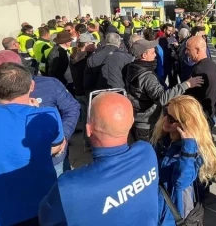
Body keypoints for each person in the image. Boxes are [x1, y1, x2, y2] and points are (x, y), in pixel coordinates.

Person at [0, 62, 66, 225]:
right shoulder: (47, 114)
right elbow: (57, 146)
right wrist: (36, 112)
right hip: (42, 209)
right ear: (32, 86)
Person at [39, 92, 160, 225]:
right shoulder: (147, 152)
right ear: (131, 122)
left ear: (89, 129)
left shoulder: (70, 186)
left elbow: (46, 218)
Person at [0, 51, 80, 176]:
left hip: (54, 162)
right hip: (14, 166)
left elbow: (72, 108)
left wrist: (64, 135)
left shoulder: (50, 84)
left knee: (60, 192)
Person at [151, 96, 216, 225]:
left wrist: (188, 148)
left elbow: (181, 182)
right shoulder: (163, 139)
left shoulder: (195, 150)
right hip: (157, 205)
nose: (166, 119)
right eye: (166, 113)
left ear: (186, 124)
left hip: (173, 213)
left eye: (172, 119)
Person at [125, 39, 203, 141]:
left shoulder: (132, 67)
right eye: (152, 53)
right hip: (147, 126)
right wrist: (186, 84)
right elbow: (161, 98)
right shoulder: (147, 76)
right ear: (144, 56)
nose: (155, 56)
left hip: (139, 121)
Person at [184, 35, 216, 128]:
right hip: (209, 114)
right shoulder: (212, 65)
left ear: (197, 50)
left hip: (200, 117)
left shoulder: (200, 70)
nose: (186, 52)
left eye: (188, 49)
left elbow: (193, 97)